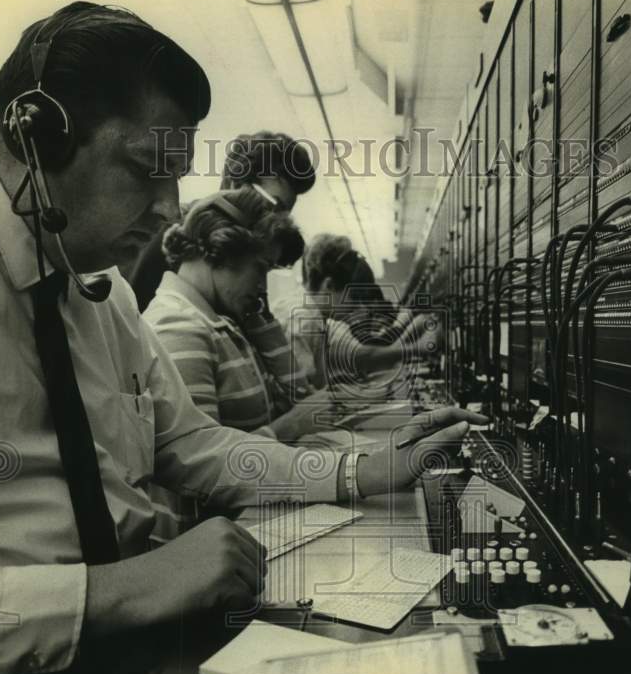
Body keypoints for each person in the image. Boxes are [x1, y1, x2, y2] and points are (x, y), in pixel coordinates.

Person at [0, 1, 484, 674]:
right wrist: (112, 591)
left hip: (132, 655)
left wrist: (362, 471)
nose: (173, 211)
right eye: (148, 171)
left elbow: (193, 443)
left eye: (179, 176)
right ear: (38, 134)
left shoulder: (97, 289)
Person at [144, 188, 334, 441]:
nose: (263, 288)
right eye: (260, 268)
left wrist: (263, 324)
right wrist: (293, 425)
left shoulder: (225, 322)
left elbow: (297, 395)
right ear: (222, 249)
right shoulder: (179, 327)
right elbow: (205, 465)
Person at [124, 130, 316, 311]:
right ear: (235, 184)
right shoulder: (174, 232)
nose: (277, 225)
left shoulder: (242, 263)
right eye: (273, 208)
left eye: (285, 215)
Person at [280, 233, 441, 390]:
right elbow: (301, 396)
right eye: (355, 299)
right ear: (329, 286)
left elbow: (360, 355)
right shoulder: (301, 320)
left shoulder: (322, 320)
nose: (361, 308)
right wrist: (419, 346)